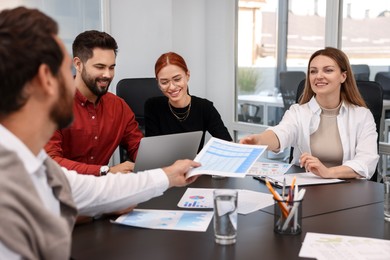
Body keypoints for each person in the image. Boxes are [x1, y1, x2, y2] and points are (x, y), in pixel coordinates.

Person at [0, 7, 200, 259]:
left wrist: (168, 174)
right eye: (65, 72)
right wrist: (102, 190)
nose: (107, 74)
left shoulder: (31, 163)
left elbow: (88, 191)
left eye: (111, 67)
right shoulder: (17, 180)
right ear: (46, 79)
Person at [240, 47, 379, 180]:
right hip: (306, 189)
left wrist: (328, 172)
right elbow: (282, 133)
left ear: (343, 76)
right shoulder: (298, 112)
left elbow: (366, 162)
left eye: (328, 70)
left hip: (349, 191)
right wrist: (258, 140)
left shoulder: (362, 116)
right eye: (313, 71)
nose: (318, 76)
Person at [44, 30, 143, 176]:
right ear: (78, 64)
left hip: (101, 193)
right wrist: (105, 171)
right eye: (100, 67)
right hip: (61, 191)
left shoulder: (119, 106)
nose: (108, 75)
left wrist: (167, 164)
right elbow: (50, 162)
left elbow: (138, 148)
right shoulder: (51, 104)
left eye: (112, 67)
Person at [144, 52, 232, 151]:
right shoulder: (153, 106)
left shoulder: (205, 107)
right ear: (158, 82)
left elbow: (226, 143)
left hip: (194, 165)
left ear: (187, 75)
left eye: (177, 79)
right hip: (166, 166)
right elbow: (152, 151)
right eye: (164, 82)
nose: (172, 87)